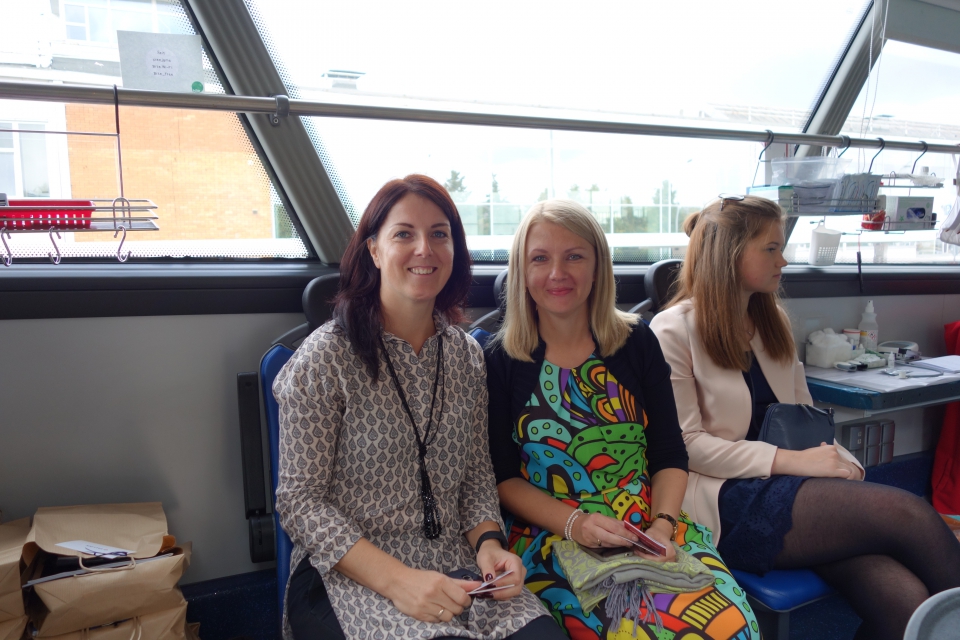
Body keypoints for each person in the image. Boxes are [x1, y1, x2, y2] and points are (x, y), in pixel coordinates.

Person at [649, 194, 960, 640]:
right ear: (729, 254)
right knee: (909, 515)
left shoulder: (771, 320)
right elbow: (687, 446)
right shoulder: (672, 329)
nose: (784, 260)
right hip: (723, 498)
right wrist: (792, 462)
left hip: (792, 486)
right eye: (771, 248)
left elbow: (806, 417)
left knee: (904, 600)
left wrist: (842, 464)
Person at [273, 175, 562, 640]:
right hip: (350, 572)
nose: (424, 248)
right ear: (374, 250)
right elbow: (299, 502)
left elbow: (475, 476)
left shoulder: (466, 356)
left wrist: (489, 545)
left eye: (439, 234)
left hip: (455, 562)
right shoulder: (326, 357)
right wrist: (399, 582)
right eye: (404, 233)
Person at [485, 199, 761, 640]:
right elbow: (503, 478)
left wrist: (662, 528)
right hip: (554, 532)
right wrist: (575, 524)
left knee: (731, 627)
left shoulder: (637, 342)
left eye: (574, 256)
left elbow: (669, 453)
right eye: (540, 258)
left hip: (651, 522)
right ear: (521, 270)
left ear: (598, 267)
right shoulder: (500, 360)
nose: (557, 273)